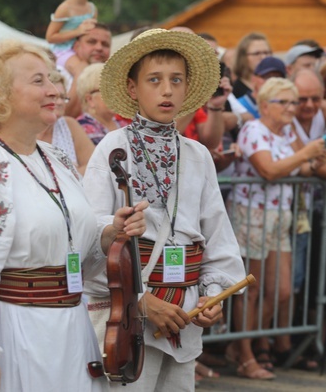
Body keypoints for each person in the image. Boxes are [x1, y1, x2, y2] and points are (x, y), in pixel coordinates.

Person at [0, 40, 147, 391]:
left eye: (54, 80)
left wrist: (109, 233)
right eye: (39, 81)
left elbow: (74, 248)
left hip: (70, 331)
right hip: (11, 332)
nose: (55, 90)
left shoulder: (54, 159)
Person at [83, 29, 244, 391]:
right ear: (131, 87)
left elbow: (217, 232)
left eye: (176, 80)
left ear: (188, 88)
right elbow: (88, 234)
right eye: (154, 80)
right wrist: (140, 302)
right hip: (130, 319)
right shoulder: (112, 147)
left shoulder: (197, 154)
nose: (167, 90)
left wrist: (211, 295)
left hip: (182, 316)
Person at [230, 77, 326, 380]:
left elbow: (304, 166)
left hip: (280, 214)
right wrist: (305, 155)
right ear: (263, 106)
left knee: (282, 291)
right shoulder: (253, 130)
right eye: (283, 102)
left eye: (293, 102)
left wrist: (316, 158)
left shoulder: (286, 131)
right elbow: (269, 170)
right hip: (252, 213)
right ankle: (244, 354)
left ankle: (244, 343)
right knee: (252, 289)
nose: (291, 108)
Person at [46, 0, 101, 68]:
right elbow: (50, 37)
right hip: (64, 51)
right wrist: (77, 31)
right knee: (81, 69)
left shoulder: (92, 9)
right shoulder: (65, 9)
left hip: (83, 51)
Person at [38, 71, 94, 174]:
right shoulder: (27, 129)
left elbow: (94, 165)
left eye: (63, 97)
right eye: (54, 97)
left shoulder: (70, 125)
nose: (59, 102)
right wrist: (69, 172)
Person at [63, 24, 113, 117]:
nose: (99, 48)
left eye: (105, 44)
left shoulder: (116, 80)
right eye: (92, 42)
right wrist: (80, 74)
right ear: (76, 46)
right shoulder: (60, 74)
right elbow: (63, 116)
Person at [76, 63, 127, 145]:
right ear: (90, 99)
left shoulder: (122, 124)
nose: (116, 95)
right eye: (108, 91)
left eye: (117, 89)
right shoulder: (83, 127)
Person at [232, 32, 273, 98]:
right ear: (243, 57)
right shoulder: (234, 91)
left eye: (266, 53)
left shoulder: (276, 84)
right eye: (256, 53)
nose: (263, 57)